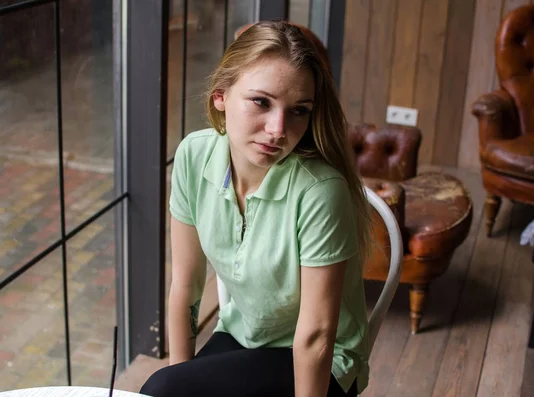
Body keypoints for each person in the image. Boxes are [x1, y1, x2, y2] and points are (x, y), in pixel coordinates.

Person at [140, 20, 372, 397]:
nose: (278, 129)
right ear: (221, 96)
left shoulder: (320, 192)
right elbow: (186, 283)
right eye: (261, 102)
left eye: (299, 110)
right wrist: (179, 380)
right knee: (163, 389)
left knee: (162, 388)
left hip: (324, 362)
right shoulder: (193, 157)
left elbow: (316, 336)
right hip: (242, 333)